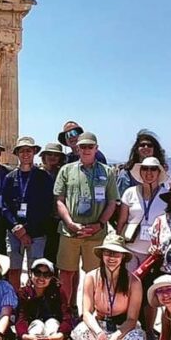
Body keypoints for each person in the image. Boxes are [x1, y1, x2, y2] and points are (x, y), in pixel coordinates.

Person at [53, 131, 119, 313]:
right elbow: (60, 200)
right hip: (70, 232)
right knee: (66, 274)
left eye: (90, 146)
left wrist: (99, 224)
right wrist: (69, 223)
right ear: (77, 149)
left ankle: (94, 312)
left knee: (96, 275)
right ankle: (67, 311)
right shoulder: (66, 170)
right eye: (83, 147)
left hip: (95, 234)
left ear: (96, 148)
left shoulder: (108, 172)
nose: (86, 150)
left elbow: (112, 201)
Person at [71, 234, 148, 340]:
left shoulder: (134, 282)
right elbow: (86, 312)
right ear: (102, 255)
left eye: (116, 253)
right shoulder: (91, 277)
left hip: (122, 326)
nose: (112, 257)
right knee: (88, 336)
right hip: (98, 323)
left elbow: (132, 319)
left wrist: (116, 337)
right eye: (108, 252)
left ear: (123, 257)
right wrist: (98, 332)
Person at [2, 136, 55, 290]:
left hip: (36, 232)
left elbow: (46, 207)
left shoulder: (43, 177)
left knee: (36, 271)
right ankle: (15, 302)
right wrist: (16, 227)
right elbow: (5, 206)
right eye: (22, 151)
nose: (25, 154)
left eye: (29, 150)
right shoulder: (10, 178)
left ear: (34, 153)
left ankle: (32, 303)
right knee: (14, 269)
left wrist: (27, 230)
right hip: (15, 232)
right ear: (17, 154)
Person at [116, 156, 169, 273]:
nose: (149, 172)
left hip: (154, 252)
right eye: (145, 169)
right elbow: (122, 221)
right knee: (129, 284)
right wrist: (118, 244)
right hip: (130, 248)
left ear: (159, 172)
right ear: (140, 172)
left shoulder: (167, 196)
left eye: (153, 169)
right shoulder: (130, 192)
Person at [39, 142, 68, 263]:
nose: (52, 157)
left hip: (58, 220)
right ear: (44, 156)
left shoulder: (64, 174)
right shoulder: (38, 173)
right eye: (49, 154)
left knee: (56, 256)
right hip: (41, 221)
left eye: (56, 155)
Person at [115, 129, 167, 196]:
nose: (146, 147)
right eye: (142, 145)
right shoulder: (126, 173)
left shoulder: (158, 171)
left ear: (155, 150)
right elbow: (121, 199)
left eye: (149, 145)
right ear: (136, 149)